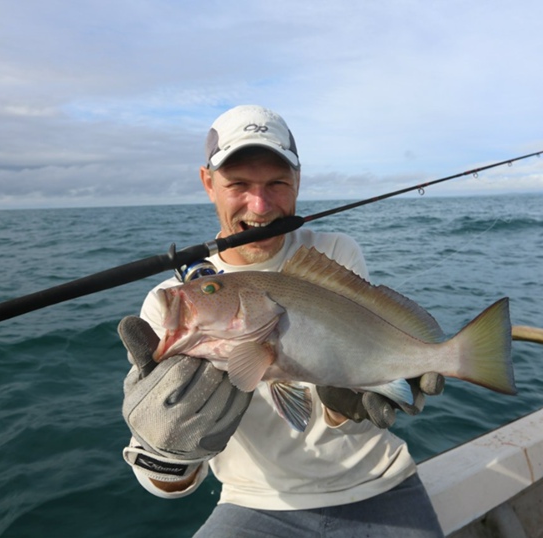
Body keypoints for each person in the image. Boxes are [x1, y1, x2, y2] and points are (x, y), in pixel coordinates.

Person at [119, 105, 445, 537]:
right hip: (254, 502)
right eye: (238, 184)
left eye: (277, 183)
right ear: (208, 183)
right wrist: (168, 447)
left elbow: (351, 363)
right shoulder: (170, 303)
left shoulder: (332, 252)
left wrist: (343, 405)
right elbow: (167, 486)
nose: (260, 204)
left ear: (297, 181)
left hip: (379, 480)